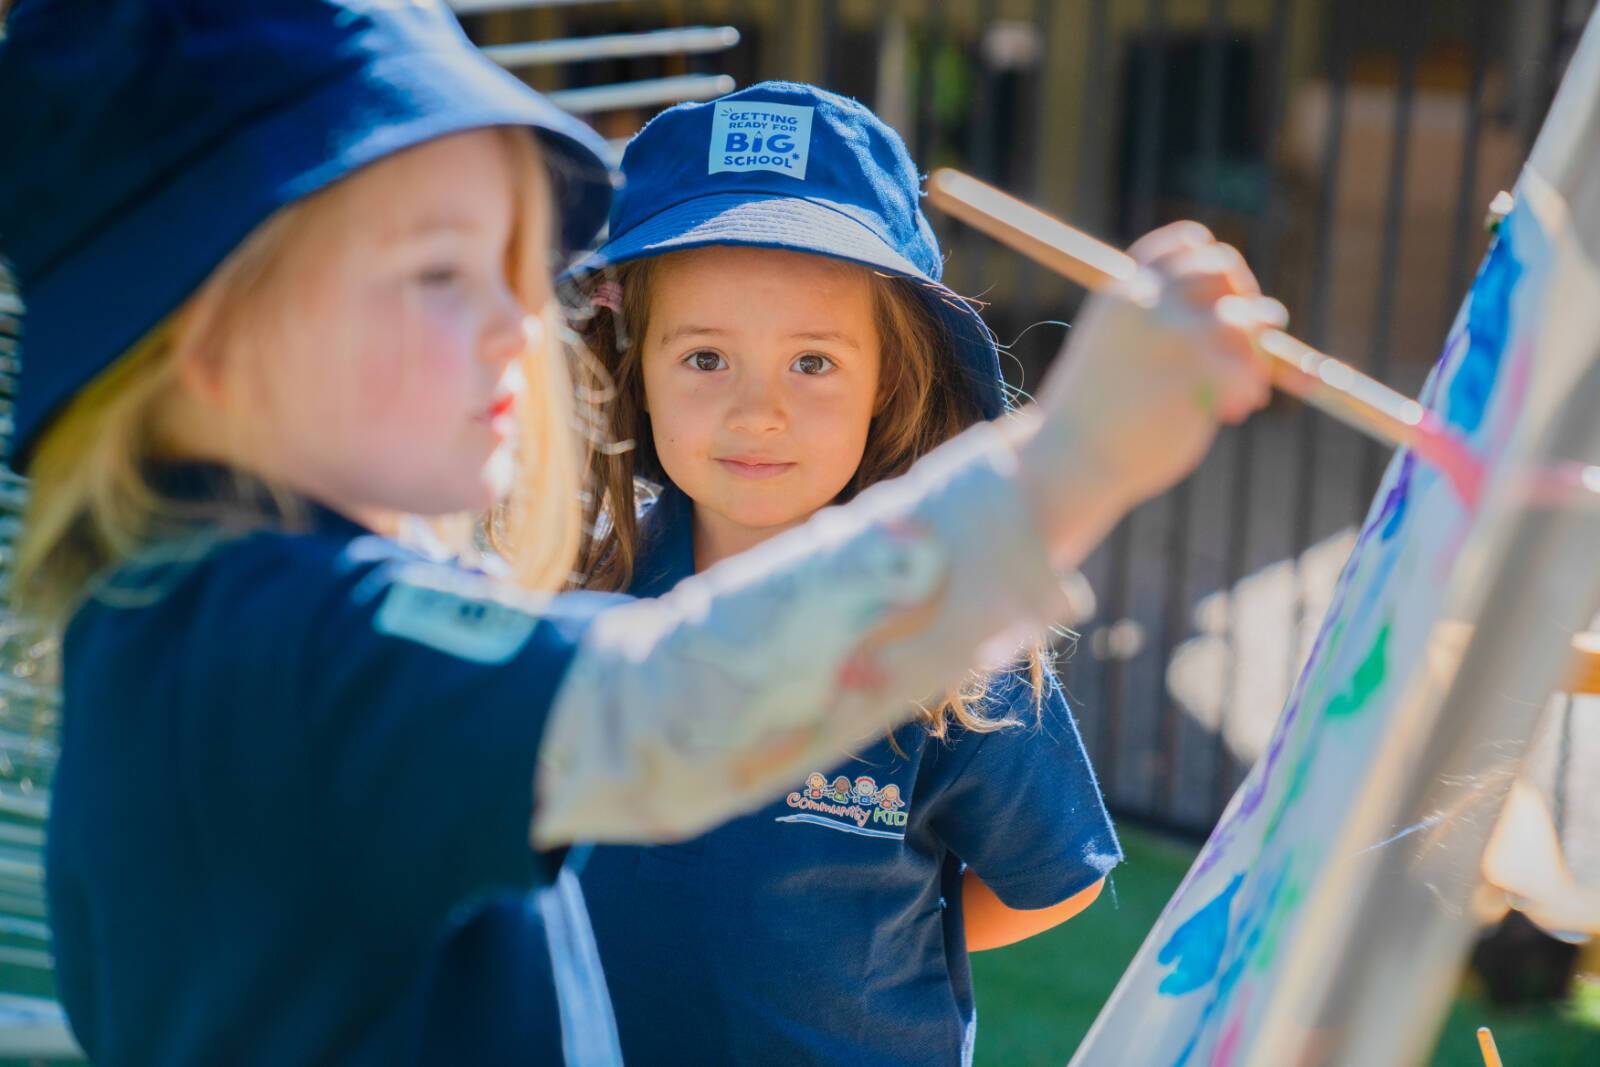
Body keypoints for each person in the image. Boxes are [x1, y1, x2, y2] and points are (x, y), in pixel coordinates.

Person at [0, 3, 1280, 1063]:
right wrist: (1067, 461)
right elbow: (665, 707)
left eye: (519, 263)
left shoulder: (198, 611)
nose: (520, 318)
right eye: (442, 272)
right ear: (209, 340)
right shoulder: (284, 638)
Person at [565, 82, 1116, 1065]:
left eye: (812, 362)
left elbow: (1052, 877)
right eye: (703, 357)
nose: (757, 410)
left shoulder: (953, 631)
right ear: (632, 363)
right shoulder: (574, 596)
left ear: (889, 380)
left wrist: (884, 942)